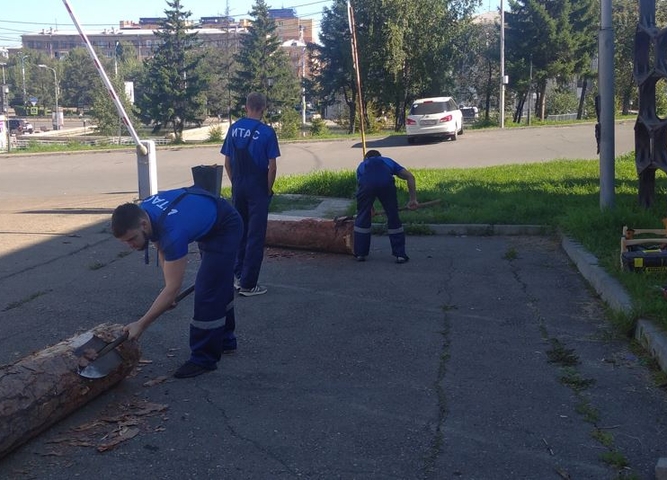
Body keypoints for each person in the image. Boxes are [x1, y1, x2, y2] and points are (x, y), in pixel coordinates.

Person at [111, 186, 243, 379]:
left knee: (208, 292)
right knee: (217, 281)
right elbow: (159, 244)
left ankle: (203, 358)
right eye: (125, 242)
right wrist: (168, 289)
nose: (130, 246)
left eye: (132, 239)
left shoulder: (173, 233)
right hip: (208, 217)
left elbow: (173, 280)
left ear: (143, 224)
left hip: (225, 226)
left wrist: (141, 324)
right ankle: (226, 340)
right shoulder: (146, 211)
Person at [221, 92, 280, 296]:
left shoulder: (234, 129)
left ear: (246, 107)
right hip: (257, 188)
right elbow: (272, 168)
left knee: (240, 230)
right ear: (263, 108)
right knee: (255, 235)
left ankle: (237, 275)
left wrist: (236, 183)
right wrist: (268, 189)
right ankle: (249, 284)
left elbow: (227, 163)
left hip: (239, 185)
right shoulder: (267, 132)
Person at [353, 149, 418, 263]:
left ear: (366, 158)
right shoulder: (388, 161)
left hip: (366, 186)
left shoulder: (362, 165)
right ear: (380, 156)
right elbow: (410, 177)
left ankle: (360, 253)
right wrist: (413, 199)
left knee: (362, 218)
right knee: (393, 216)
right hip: (386, 185)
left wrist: (369, 208)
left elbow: (362, 189)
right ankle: (400, 255)